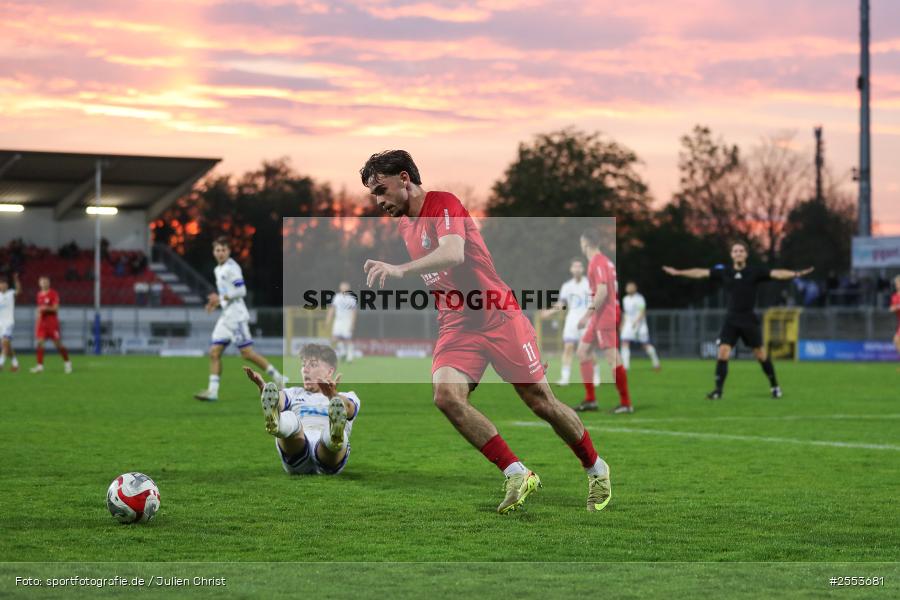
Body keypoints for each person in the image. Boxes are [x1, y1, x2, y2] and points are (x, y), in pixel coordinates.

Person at [360, 150, 611, 514]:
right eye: (374, 196)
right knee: (446, 396)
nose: (379, 202)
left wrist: (400, 271)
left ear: (404, 178)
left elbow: (453, 253)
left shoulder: (442, 203)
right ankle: (516, 472)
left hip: (498, 316)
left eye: (381, 190)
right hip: (458, 325)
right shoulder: (405, 227)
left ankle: (596, 468)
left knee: (542, 403)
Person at [663, 241, 813, 399]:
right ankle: (718, 391)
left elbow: (776, 273)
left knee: (761, 355)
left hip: (749, 319)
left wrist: (796, 274)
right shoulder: (725, 272)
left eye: (741, 251)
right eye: (735, 251)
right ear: (731, 255)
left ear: (746, 254)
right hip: (731, 319)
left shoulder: (754, 272)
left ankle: (775, 387)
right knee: (722, 352)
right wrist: (679, 272)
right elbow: (700, 272)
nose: (738, 253)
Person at [243, 344, 358, 475]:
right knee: (290, 418)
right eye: (303, 365)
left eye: (313, 365)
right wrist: (264, 389)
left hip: (328, 457)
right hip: (297, 450)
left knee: (329, 434)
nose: (305, 370)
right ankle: (276, 424)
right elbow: (279, 399)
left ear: (330, 371)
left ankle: (334, 437)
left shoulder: (347, 396)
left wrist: (333, 396)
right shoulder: (294, 393)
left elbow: (349, 408)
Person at [194, 237, 285, 401]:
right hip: (225, 317)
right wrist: (217, 303)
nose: (220, 253)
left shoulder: (232, 268)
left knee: (247, 354)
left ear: (228, 251)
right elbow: (226, 294)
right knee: (214, 352)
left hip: (236, 317)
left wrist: (222, 298)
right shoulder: (218, 269)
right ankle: (213, 392)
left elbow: (241, 290)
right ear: (214, 252)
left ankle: (279, 378)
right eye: (217, 250)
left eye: (223, 250)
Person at [574, 231, 633, 414]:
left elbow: (602, 292)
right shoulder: (602, 261)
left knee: (612, 357)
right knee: (583, 352)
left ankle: (625, 403)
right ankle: (590, 400)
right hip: (600, 315)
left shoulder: (598, 262)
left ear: (586, 243)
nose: (581, 246)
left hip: (604, 314)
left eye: (581, 243)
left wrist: (586, 315)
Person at [539, 258, 598, 386]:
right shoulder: (567, 286)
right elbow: (562, 303)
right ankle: (565, 378)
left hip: (586, 320)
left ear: (583, 269)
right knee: (568, 347)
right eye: (575, 266)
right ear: (571, 269)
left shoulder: (589, 284)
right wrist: (549, 311)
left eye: (580, 266)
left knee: (588, 350)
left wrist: (591, 318)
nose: (577, 269)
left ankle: (596, 375)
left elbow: (595, 303)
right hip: (571, 320)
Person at [30, 276, 72, 374]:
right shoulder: (39, 294)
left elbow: (56, 308)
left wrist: (45, 308)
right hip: (42, 323)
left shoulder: (53, 293)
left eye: (46, 282)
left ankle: (67, 363)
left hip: (52, 323)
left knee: (58, 344)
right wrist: (37, 321)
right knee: (40, 343)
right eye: (42, 282)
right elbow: (39, 310)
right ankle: (40, 366)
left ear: (49, 283)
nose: (44, 283)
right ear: (39, 284)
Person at [620, 281, 661, 371]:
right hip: (629, 324)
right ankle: (626, 366)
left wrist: (636, 321)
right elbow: (625, 313)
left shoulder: (639, 298)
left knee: (645, 345)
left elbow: (642, 311)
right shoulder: (625, 299)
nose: (628, 288)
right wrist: (622, 325)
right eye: (627, 286)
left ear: (635, 288)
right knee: (624, 342)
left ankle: (656, 363)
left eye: (631, 286)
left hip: (640, 325)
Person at [326, 281, 358, 363]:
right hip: (338, 320)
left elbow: (354, 312)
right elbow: (332, 309)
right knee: (335, 338)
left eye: (346, 287)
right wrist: (328, 320)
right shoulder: (337, 297)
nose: (344, 288)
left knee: (347, 339)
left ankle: (350, 357)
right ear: (340, 287)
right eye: (343, 286)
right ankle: (342, 352)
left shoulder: (351, 299)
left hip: (347, 320)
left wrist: (353, 324)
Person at [0, 273, 21, 372]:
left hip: (9, 322)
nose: (3, 285)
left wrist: (16, 280)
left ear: (7, 285)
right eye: (1, 283)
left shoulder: (11, 293)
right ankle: (15, 364)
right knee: (7, 345)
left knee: (4, 343)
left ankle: (1, 363)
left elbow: (19, 291)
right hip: (0, 324)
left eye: (5, 283)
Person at [890, 275, 900, 363]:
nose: (897, 285)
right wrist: (897, 307)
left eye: (898, 283)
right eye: (896, 283)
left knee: (896, 339)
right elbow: (892, 308)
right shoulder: (894, 296)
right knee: (896, 341)